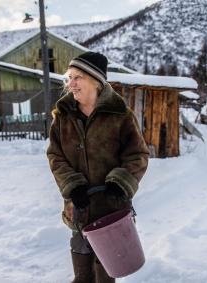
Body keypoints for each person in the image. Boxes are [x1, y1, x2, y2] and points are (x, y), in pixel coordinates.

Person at [46, 51, 149, 283]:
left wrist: (120, 182)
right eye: (69, 77)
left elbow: (138, 154)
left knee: (106, 273)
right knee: (82, 276)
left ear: (95, 80)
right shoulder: (63, 116)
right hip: (79, 208)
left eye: (77, 77)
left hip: (111, 208)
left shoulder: (120, 115)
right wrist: (72, 186)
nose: (70, 84)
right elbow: (55, 155)